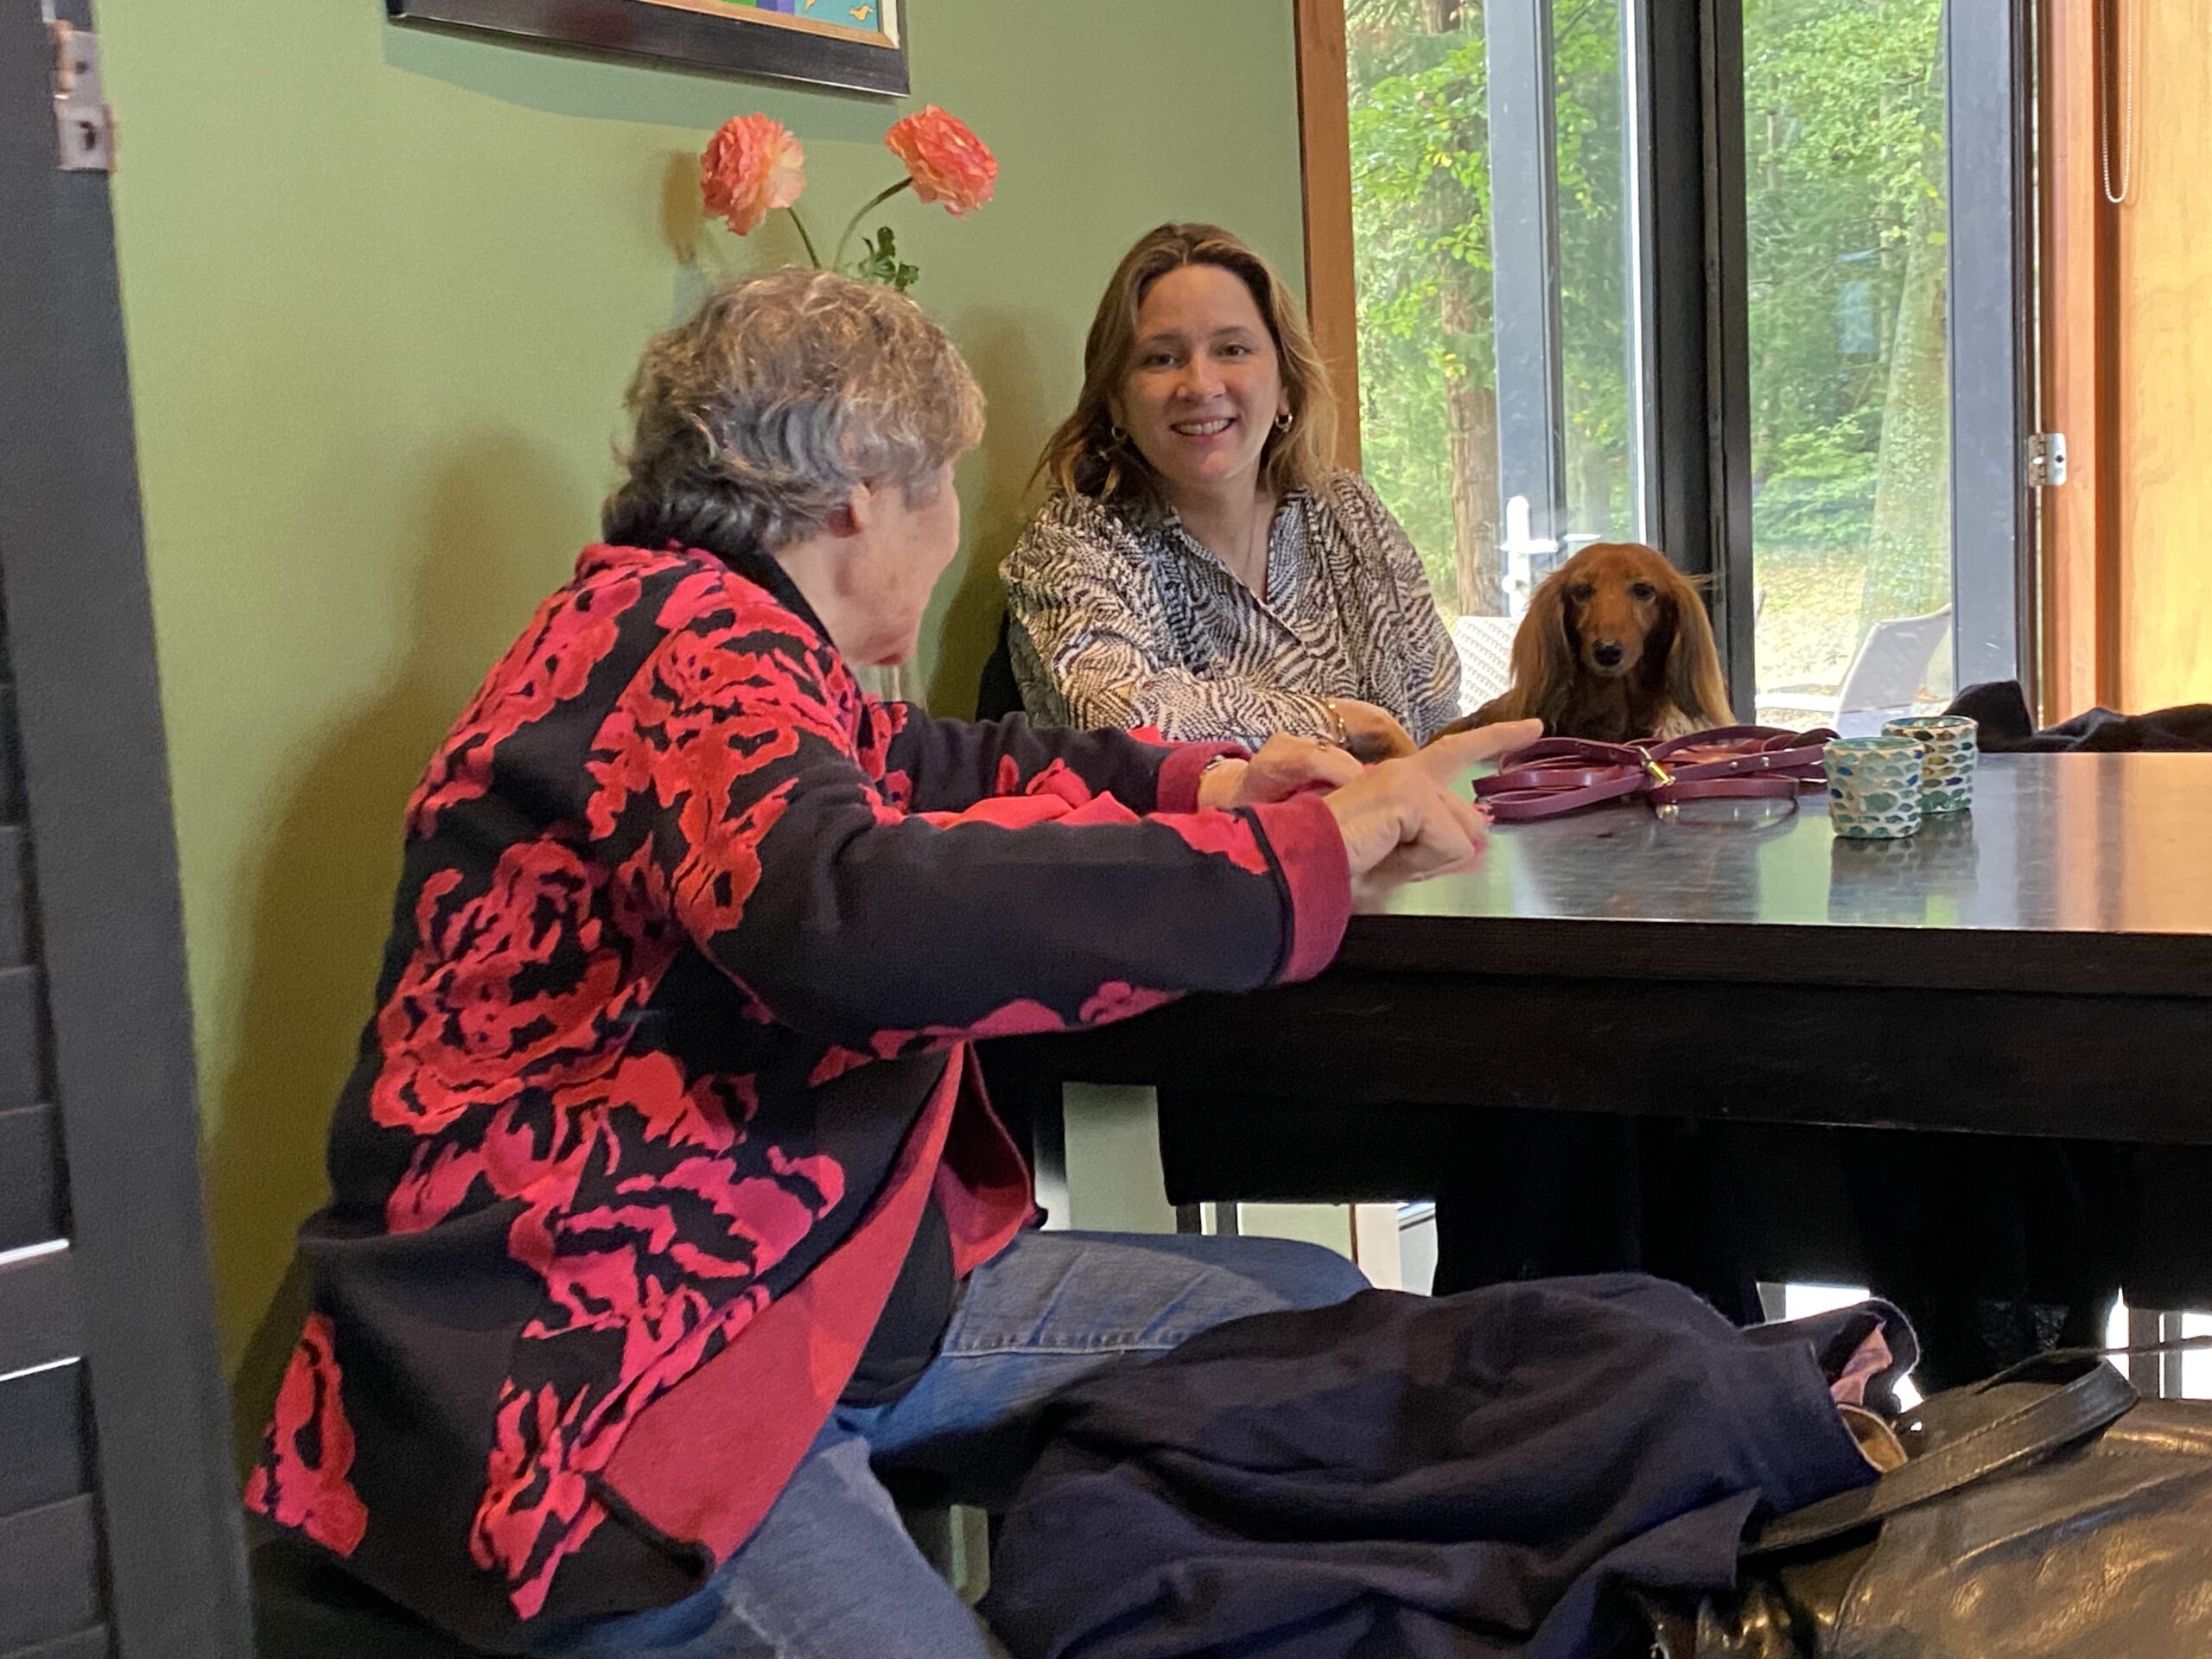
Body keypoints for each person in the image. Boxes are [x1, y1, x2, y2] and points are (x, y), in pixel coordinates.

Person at [242, 269, 1536, 1658]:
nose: (950, 523)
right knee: (1316, 1370)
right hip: (606, 1380)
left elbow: (927, 767)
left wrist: (1211, 784)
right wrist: (1296, 861)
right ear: (864, 491)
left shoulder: (718, 643)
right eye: (945, 487)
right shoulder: (678, 640)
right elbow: (850, 917)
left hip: (812, 1289)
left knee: (1311, 1323)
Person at [1002, 222, 1462, 760]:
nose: (1200, 385)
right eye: (1161, 358)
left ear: (1285, 385)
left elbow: (1436, 717)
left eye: (1233, 349)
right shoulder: (1072, 546)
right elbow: (1119, 723)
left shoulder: (1348, 512)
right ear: (1117, 403)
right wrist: (1340, 722)